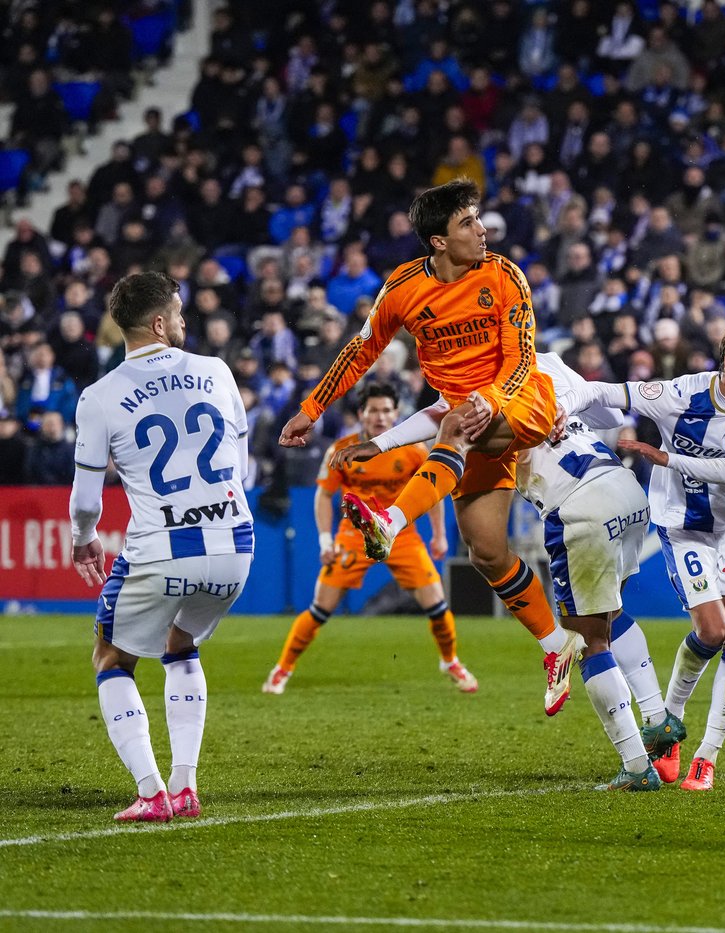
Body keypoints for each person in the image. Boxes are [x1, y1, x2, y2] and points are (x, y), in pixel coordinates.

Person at [277, 180, 580, 716]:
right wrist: (312, 408)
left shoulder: (504, 274)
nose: (482, 229)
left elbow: (519, 355)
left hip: (522, 398)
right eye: (468, 223)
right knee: (485, 551)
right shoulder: (401, 289)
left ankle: (389, 523)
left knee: (454, 427)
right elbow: (361, 349)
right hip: (469, 418)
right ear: (438, 242)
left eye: (478, 219)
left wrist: (489, 398)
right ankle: (556, 646)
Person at [345, 353, 669, 791]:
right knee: (608, 614)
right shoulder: (548, 363)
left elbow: (447, 420)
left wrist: (384, 443)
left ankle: (635, 765)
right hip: (627, 490)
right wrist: (566, 402)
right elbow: (610, 411)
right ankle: (660, 727)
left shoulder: (479, 378)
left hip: (581, 507)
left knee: (589, 636)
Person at [69, 271, 254, 822]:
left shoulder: (99, 397)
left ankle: (152, 793)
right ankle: (186, 786)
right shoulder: (216, 371)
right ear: (157, 322)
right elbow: (240, 468)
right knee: (180, 645)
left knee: (111, 655)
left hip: (163, 546)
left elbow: (85, 501)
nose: (183, 320)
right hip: (235, 545)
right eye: (177, 312)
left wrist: (84, 542)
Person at [568, 322, 725, 791]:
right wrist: (561, 403)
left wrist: (665, 459)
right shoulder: (678, 395)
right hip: (683, 525)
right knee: (712, 629)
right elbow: (605, 391)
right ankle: (670, 726)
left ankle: (707, 756)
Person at [262, 383, 473, 696]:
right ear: (361, 414)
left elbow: (434, 490)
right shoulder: (342, 450)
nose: (380, 416)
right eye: (373, 410)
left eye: (387, 410)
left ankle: (450, 661)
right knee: (321, 609)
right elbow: (323, 496)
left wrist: (440, 535)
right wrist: (324, 541)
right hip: (354, 537)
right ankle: (282, 669)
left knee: (438, 606)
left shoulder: (414, 450)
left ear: (397, 413)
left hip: (401, 535)